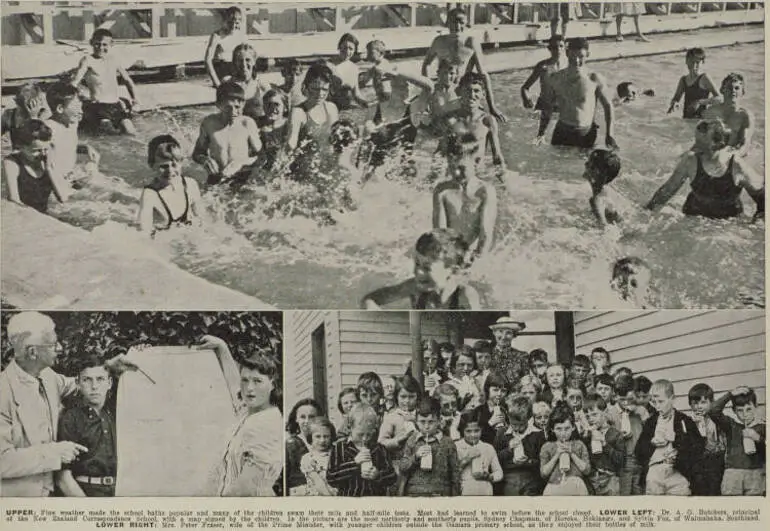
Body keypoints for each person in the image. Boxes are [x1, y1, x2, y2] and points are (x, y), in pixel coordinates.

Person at [0, 312, 135, 496]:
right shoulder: (3, 391)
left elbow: (80, 384)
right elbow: (2, 461)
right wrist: (54, 453)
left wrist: (109, 368)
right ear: (33, 352)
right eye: (54, 344)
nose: (61, 348)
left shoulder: (48, 377)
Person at [198, 335, 283, 497]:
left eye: (257, 381)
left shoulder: (268, 424)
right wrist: (222, 347)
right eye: (245, 380)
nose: (249, 388)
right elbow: (235, 385)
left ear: (272, 384)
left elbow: (245, 489)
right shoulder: (250, 412)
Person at [645, 118, 764, 221]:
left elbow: (763, 198)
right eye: (696, 140)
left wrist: (757, 221)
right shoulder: (690, 160)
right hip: (694, 217)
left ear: (718, 144)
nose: (694, 145)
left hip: (728, 221)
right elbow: (666, 192)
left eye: (700, 141)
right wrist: (645, 214)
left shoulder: (736, 165)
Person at [421, 7, 505, 123]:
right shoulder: (439, 41)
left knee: (470, 125)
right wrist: (427, 90)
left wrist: (492, 106)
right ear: (448, 23)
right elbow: (426, 65)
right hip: (442, 90)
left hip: (462, 91)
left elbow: (483, 74)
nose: (457, 26)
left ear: (466, 24)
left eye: (461, 23)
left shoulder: (471, 42)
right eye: (454, 22)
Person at [360, 229, 480, 310]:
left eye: (427, 268)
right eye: (417, 264)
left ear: (453, 270)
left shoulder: (465, 295)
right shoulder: (414, 288)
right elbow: (370, 299)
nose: (417, 272)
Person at [362, 40, 433, 174]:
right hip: (376, 172)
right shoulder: (374, 109)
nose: (404, 90)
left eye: (406, 86)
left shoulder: (413, 109)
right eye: (398, 87)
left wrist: (400, 73)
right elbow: (364, 144)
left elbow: (430, 87)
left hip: (402, 173)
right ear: (390, 87)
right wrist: (368, 129)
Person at [536, 38, 616, 150]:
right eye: (573, 57)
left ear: (588, 54)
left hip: (586, 133)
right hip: (562, 131)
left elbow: (608, 106)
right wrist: (541, 133)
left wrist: (609, 134)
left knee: (586, 166)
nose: (577, 61)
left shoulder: (594, 79)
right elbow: (547, 107)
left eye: (581, 57)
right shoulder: (555, 78)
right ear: (567, 54)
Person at [55, 355, 117, 497]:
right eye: (87, 380)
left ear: (110, 383)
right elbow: (62, 478)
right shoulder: (70, 419)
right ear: (78, 383)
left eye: (100, 379)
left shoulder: (118, 414)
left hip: (120, 492)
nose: (94, 386)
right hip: (85, 492)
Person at [634, 379, 704, 496]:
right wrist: (651, 443)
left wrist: (677, 441)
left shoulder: (684, 420)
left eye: (661, 401)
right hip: (655, 472)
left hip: (677, 473)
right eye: (654, 402)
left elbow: (698, 448)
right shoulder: (651, 422)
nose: (657, 406)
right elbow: (638, 451)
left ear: (672, 399)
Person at [432, 146, 498, 264]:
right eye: (451, 167)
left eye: (461, 168)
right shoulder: (442, 191)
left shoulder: (485, 191)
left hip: (476, 253)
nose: (456, 173)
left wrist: (476, 259)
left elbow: (486, 234)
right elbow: (440, 234)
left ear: (476, 162)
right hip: (450, 253)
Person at [193, 82, 262, 186]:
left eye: (237, 107)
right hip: (216, 177)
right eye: (228, 108)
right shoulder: (209, 123)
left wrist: (241, 162)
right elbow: (197, 153)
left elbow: (261, 157)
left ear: (243, 104)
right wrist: (205, 160)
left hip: (242, 177)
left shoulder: (247, 124)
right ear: (218, 105)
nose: (233, 112)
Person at [71, 29, 138, 135]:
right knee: (108, 130)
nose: (101, 48)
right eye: (97, 44)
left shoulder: (114, 59)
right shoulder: (87, 60)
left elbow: (127, 80)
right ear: (91, 43)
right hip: (98, 105)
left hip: (115, 105)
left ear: (111, 44)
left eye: (104, 45)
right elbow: (75, 81)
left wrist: (135, 100)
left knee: (130, 131)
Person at [438, 73, 506, 177]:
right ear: (459, 92)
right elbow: (441, 152)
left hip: (478, 175)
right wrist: (434, 178)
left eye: (476, 91)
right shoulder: (450, 119)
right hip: (455, 176)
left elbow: (497, 157)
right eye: (467, 90)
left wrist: (505, 185)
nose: (472, 95)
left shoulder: (487, 121)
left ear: (483, 94)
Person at [327, 403, 397, 496]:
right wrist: (354, 463)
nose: (364, 438)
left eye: (369, 434)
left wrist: (378, 475)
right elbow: (331, 478)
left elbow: (392, 477)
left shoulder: (379, 449)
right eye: (360, 434)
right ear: (350, 428)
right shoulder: (339, 448)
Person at [138, 135, 202, 236]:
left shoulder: (191, 185)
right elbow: (144, 232)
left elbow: (202, 220)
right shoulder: (150, 195)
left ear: (181, 163)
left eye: (174, 165)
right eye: (163, 166)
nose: (170, 171)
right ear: (151, 165)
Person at [3, 119, 70, 214]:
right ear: (21, 147)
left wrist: (49, 169)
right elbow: (14, 200)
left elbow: (63, 198)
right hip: (25, 215)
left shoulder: (47, 158)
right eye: (36, 151)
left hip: (44, 214)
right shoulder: (11, 163)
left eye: (45, 149)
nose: (42, 154)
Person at [707, 387, 765, 496]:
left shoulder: (762, 427)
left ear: (756, 407)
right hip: (732, 475)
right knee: (731, 505)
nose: (745, 414)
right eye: (740, 410)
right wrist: (730, 394)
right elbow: (712, 411)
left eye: (749, 409)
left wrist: (758, 438)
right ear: (734, 410)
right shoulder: (731, 425)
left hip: (755, 475)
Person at [399, 397, 459, 496]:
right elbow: (403, 467)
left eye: (431, 422)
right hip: (415, 492)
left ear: (439, 420)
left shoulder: (447, 442)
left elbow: (455, 473)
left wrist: (455, 496)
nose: (426, 426)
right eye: (422, 422)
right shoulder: (412, 440)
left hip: (440, 492)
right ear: (416, 421)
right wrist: (416, 456)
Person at [44, 82, 99, 184]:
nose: (81, 112)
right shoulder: (48, 128)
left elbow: (64, 146)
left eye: (81, 107)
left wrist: (84, 148)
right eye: (76, 108)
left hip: (72, 177)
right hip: (56, 182)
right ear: (60, 109)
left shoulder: (72, 124)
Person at [286, 63, 339, 156]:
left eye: (324, 89)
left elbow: (335, 140)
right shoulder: (298, 112)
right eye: (315, 89)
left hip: (326, 160)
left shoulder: (331, 108)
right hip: (305, 164)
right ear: (306, 87)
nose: (320, 94)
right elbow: (291, 143)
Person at [539, 403, 591, 495]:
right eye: (559, 429)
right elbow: (543, 474)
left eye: (567, 428)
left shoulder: (579, 445)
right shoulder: (547, 446)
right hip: (554, 487)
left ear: (573, 427)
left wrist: (572, 454)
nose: (563, 433)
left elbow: (586, 470)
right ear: (552, 429)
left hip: (576, 487)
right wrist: (557, 455)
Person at [495, 396, 542, 496]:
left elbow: (541, 460)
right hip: (509, 476)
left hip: (530, 476)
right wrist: (509, 450)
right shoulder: (502, 434)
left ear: (529, 419)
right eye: (514, 424)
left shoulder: (537, 434)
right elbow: (496, 459)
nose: (517, 428)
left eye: (521, 425)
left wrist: (528, 462)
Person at [521, 35, 566, 137]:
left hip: (562, 105)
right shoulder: (542, 66)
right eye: (554, 47)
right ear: (549, 49)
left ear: (565, 47)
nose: (558, 49)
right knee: (540, 135)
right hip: (546, 104)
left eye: (561, 46)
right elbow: (525, 87)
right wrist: (526, 98)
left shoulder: (569, 65)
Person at [702, 73, 755, 157]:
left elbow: (745, 145)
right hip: (715, 152)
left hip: (736, 154)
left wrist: (729, 156)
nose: (733, 91)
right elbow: (701, 138)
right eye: (730, 88)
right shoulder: (711, 111)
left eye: (737, 88)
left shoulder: (745, 116)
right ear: (722, 90)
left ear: (743, 92)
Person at [687, 383, 726, 496]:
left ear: (711, 403)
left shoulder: (716, 419)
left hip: (716, 460)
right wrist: (695, 425)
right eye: (695, 403)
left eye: (703, 402)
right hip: (698, 463)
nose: (699, 406)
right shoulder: (689, 421)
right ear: (690, 405)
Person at [582, 393, 625, 496]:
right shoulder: (588, 436)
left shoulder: (615, 434)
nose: (591, 419)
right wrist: (585, 437)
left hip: (611, 479)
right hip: (593, 480)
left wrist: (605, 444)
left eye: (594, 414)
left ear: (605, 413)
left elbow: (621, 460)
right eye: (587, 416)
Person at [614, 375, 649, 496]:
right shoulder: (611, 413)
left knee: (640, 494)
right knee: (625, 495)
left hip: (639, 459)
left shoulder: (641, 411)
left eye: (629, 399)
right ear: (615, 396)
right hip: (623, 462)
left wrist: (643, 416)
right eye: (622, 399)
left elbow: (650, 433)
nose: (625, 403)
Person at [455, 409, 503, 495]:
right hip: (465, 491)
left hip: (485, 490)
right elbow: (452, 474)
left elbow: (499, 472)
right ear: (462, 431)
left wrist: (489, 476)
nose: (473, 435)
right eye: (468, 431)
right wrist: (466, 459)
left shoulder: (488, 448)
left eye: (476, 431)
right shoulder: (456, 447)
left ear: (481, 429)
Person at [222, 44, 272, 122]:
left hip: (257, 129)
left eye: (247, 60)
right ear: (235, 62)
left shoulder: (262, 85)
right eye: (240, 60)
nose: (244, 64)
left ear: (254, 61)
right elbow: (222, 113)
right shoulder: (227, 82)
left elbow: (271, 113)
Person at [667, 48, 718, 120]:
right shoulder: (683, 80)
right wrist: (674, 104)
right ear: (686, 61)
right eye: (691, 62)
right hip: (686, 119)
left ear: (702, 62)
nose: (694, 66)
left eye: (697, 62)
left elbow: (719, 98)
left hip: (700, 121)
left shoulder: (704, 78)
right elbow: (676, 98)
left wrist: (700, 102)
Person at [285, 398, 321, 495]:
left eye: (312, 417)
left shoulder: (325, 442)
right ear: (296, 419)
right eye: (302, 417)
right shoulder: (290, 445)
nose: (307, 421)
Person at [204, 6, 247, 87]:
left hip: (236, 67)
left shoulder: (241, 36)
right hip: (222, 68)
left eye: (237, 23)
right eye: (230, 23)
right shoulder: (217, 36)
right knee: (231, 85)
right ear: (225, 21)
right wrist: (216, 82)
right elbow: (208, 60)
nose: (234, 26)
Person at [327, 33, 371, 111]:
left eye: (351, 49)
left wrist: (365, 103)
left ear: (354, 51)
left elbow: (356, 94)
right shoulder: (329, 65)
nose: (347, 51)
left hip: (346, 109)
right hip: (329, 108)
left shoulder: (354, 68)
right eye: (344, 47)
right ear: (339, 46)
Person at [1, 83, 50, 149]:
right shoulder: (9, 114)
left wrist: (34, 118)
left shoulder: (44, 116)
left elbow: (42, 142)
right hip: (18, 155)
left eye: (30, 103)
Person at [583, 148, 623, 228]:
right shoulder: (607, 191)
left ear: (599, 173)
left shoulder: (596, 200)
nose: (585, 164)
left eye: (590, 164)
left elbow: (603, 226)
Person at [299, 417, 338, 496]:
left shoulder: (337, 453)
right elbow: (318, 483)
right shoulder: (308, 458)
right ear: (310, 437)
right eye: (318, 436)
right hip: (319, 496)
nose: (322, 440)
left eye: (326, 436)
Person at [489, 317, 530, 391]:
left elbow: (526, 382)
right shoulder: (487, 355)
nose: (504, 337)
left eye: (508, 333)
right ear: (494, 333)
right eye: (500, 331)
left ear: (514, 335)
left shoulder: (522, 356)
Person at [256, 89, 290, 173]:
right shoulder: (255, 124)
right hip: (261, 168)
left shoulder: (289, 125)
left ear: (285, 108)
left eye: (276, 105)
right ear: (263, 106)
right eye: (268, 104)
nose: (272, 108)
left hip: (284, 168)